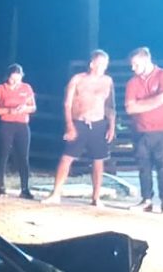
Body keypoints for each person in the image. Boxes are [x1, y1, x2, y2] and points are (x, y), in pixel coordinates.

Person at [42, 50, 116, 206]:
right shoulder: (78, 79)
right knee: (67, 157)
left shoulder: (108, 81)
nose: (103, 67)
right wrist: (70, 125)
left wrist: (112, 126)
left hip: (98, 123)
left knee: (98, 160)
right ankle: (56, 194)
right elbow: (67, 104)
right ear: (92, 64)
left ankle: (96, 197)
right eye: (100, 63)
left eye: (105, 64)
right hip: (79, 122)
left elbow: (110, 106)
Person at [124, 46, 163, 213]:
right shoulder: (132, 82)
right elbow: (130, 108)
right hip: (140, 130)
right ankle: (146, 200)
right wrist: (152, 103)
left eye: (136, 64)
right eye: (132, 65)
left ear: (146, 60)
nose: (133, 68)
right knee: (143, 167)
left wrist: (140, 105)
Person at [0, 64, 37, 198]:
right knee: (3, 155)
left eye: (18, 79)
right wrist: (9, 110)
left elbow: (33, 107)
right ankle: (1, 188)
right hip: (6, 124)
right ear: (7, 77)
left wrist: (24, 108)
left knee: (23, 157)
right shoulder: (1, 88)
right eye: (12, 79)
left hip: (22, 125)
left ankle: (25, 189)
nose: (15, 82)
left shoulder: (26, 88)